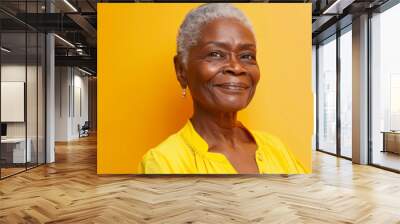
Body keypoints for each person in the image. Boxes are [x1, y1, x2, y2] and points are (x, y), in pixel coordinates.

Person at [139, 3, 306, 174]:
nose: (236, 67)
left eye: (247, 56)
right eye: (215, 54)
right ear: (181, 70)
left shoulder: (275, 148)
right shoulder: (164, 162)